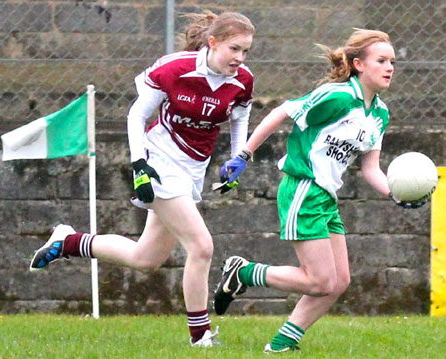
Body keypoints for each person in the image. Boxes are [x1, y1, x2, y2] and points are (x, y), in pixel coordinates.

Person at [30, 10, 255, 347]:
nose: (240, 58)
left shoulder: (243, 80)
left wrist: (239, 157)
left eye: (246, 51)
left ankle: (68, 241)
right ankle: (200, 336)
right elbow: (137, 114)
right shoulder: (174, 68)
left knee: (145, 260)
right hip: (160, 159)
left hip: (193, 168)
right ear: (212, 43)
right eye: (234, 49)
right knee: (202, 246)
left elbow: (239, 119)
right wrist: (139, 164)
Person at [213, 28, 426, 353]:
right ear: (358, 64)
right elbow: (281, 112)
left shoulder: (380, 114)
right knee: (319, 281)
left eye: (392, 61)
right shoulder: (337, 96)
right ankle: (244, 272)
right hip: (302, 188)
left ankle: (282, 344)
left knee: (339, 282)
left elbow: (370, 169)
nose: (390, 67)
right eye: (381, 60)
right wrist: (244, 154)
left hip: (326, 197)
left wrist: (395, 194)